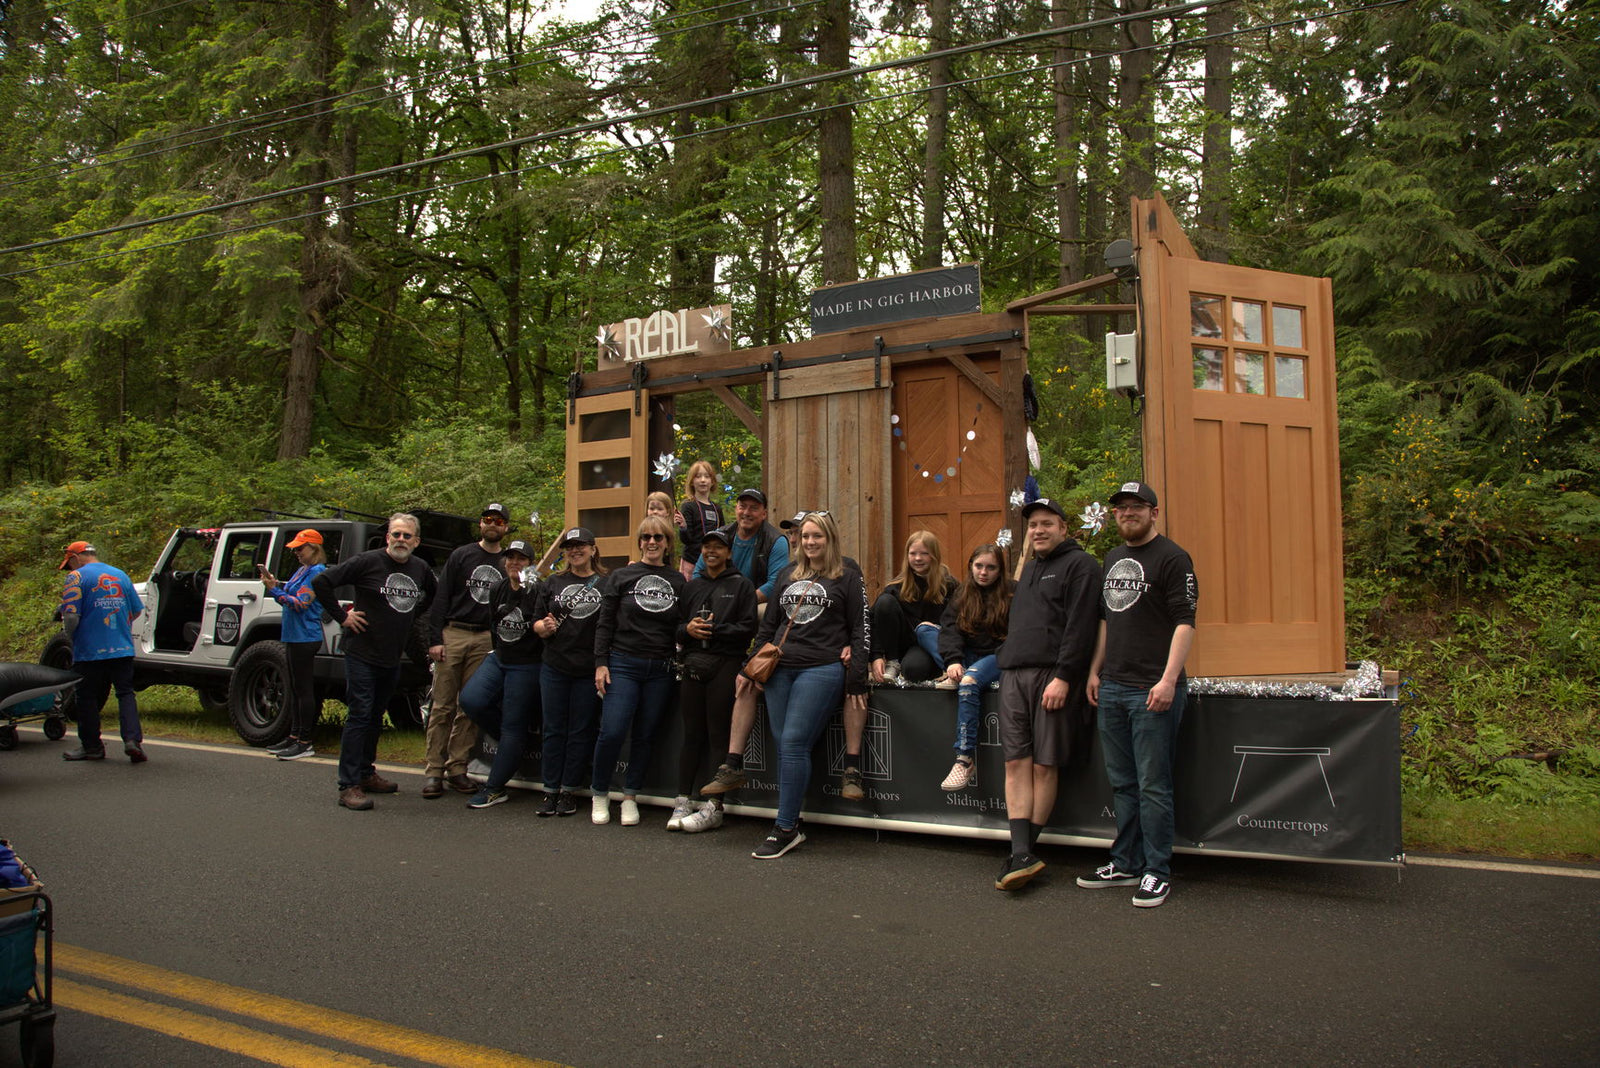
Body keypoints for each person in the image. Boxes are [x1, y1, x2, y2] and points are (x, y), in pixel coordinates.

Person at [1077, 481, 1197, 908]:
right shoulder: (1113, 558)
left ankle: (1156, 871)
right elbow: (1108, 622)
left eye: (1136, 507)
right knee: (1124, 784)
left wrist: (1167, 680)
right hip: (1112, 687)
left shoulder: (1173, 558)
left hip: (1153, 690)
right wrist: (1095, 671)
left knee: (1153, 785)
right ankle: (1125, 862)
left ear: (1154, 513)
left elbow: (1185, 623)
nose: (1127, 513)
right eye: (1121, 508)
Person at [992, 498, 1102, 890]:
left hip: (1053, 678)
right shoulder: (1031, 569)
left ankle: (1023, 852)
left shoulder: (1083, 566)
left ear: (1064, 528)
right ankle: (1021, 853)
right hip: (1014, 676)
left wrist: (1065, 676)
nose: (1038, 530)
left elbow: (1081, 626)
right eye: (1033, 525)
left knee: (1044, 765)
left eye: (1046, 524)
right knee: (1015, 763)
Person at [748, 512, 869, 860]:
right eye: (805, 536)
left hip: (822, 668)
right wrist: (749, 669)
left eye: (818, 536)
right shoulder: (787, 574)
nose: (811, 542)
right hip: (779, 669)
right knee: (785, 745)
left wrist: (856, 674)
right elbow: (769, 625)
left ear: (830, 539)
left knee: (793, 741)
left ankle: (784, 828)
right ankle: (792, 823)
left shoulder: (846, 574)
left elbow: (861, 626)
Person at [312, 513, 438, 811]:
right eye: (396, 534)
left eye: (407, 536)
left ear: (416, 541)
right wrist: (343, 616)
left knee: (376, 716)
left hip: (391, 656)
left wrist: (410, 616)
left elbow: (431, 597)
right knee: (360, 714)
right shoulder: (366, 561)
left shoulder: (420, 569)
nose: (401, 540)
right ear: (387, 537)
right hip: (361, 653)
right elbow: (321, 582)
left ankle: (367, 773)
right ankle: (349, 785)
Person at [694, 489, 791, 796]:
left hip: (755, 600)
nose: (747, 512)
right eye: (742, 506)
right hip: (718, 600)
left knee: (763, 615)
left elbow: (777, 583)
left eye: (754, 508)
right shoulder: (720, 535)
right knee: (700, 615)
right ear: (735, 509)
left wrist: (741, 599)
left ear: (764, 513)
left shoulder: (775, 540)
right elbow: (698, 574)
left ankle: (753, 661)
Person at [591, 515, 686, 826]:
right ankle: (600, 792)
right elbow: (604, 622)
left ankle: (630, 795)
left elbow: (680, 627)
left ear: (668, 543)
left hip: (660, 667)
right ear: (640, 542)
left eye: (659, 537)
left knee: (645, 736)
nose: (652, 543)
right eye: (646, 537)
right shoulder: (621, 576)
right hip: (622, 662)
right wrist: (601, 662)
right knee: (613, 731)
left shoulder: (677, 582)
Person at [670, 527, 757, 833]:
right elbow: (675, 627)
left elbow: (748, 629)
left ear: (729, 552)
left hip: (726, 663)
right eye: (707, 546)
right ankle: (682, 799)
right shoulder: (691, 586)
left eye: (718, 547)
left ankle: (714, 806)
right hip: (694, 662)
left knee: (719, 734)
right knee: (692, 733)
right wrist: (688, 631)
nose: (711, 551)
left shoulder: (742, 585)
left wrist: (717, 630)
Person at [422, 503, 509, 799]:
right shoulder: (462, 555)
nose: (492, 524)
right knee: (442, 705)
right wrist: (435, 638)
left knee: (469, 707)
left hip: (486, 638)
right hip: (454, 633)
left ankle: (457, 768)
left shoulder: (509, 562)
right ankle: (433, 771)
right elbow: (440, 597)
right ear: (481, 524)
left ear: (506, 527)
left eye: (498, 520)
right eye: (488, 519)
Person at [458, 540, 543, 809]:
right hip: (500, 658)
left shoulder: (538, 590)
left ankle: (495, 788)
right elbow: (494, 625)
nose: (514, 563)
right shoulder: (497, 588)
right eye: (510, 558)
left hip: (527, 664)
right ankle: (513, 741)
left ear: (530, 563)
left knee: (513, 727)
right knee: (470, 700)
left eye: (521, 559)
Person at [532, 527, 607, 817]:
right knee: (552, 729)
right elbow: (535, 622)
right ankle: (549, 789)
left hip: (588, 668)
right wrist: (542, 628)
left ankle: (569, 790)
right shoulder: (552, 582)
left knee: (580, 731)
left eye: (581, 545)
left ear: (592, 548)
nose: (575, 551)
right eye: (570, 547)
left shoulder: (606, 582)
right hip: (555, 665)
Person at [58, 540, 147, 762]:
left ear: (76, 558)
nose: (70, 569)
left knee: (86, 696)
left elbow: (70, 615)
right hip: (122, 647)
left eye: (70, 564)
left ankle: (92, 747)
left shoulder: (76, 578)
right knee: (125, 693)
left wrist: (70, 636)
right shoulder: (120, 575)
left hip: (90, 649)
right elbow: (136, 611)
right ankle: (132, 741)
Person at [936, 543, 1014, 790]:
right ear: (971, 566)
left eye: (991, 567)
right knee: (926, 630)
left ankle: (964, 759)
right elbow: (950, 628)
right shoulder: (962, 593)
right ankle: (956, 672)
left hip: (998, 656)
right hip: (968, 654)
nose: (983, 572)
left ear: (1000, 570)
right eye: (979, 566)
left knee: (969, 683)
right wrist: (953, 660)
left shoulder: (1013, 592)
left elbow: (1018, 636)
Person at [261, 529, 328, 761]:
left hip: (306, 637)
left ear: (314, 548)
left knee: (304, 689)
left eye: (300, 548)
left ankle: (305, 741)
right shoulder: (303, 570)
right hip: (293, 636)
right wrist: (275, 585)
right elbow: (289, 594)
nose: (297, 552)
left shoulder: (318, 572)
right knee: (294, 689)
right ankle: (294, 737)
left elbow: (300, 604)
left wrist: (274, 590)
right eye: (295, 549)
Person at [869, 531, 957, 685]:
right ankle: (893, 663)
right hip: (905, 646)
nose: (917, 558)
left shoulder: (949, 586)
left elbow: (958, 621)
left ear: (934, 555)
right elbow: (873, 621)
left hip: (935, 645)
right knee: (884, 602)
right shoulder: (896, 587)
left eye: (924, 553)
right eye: (913, 553)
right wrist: (876, 656)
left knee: (914, 670)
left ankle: (939, 668)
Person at [677, 459, 724, 581]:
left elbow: (723, 535)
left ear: (712, 481)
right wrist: (683, 527)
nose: (703, 480)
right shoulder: (688, 506)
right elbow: (687, 540)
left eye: (707, 476)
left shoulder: (717, 508)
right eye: (698, 476)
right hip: (692, 562)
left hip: (713, 562)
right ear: (692, 481)